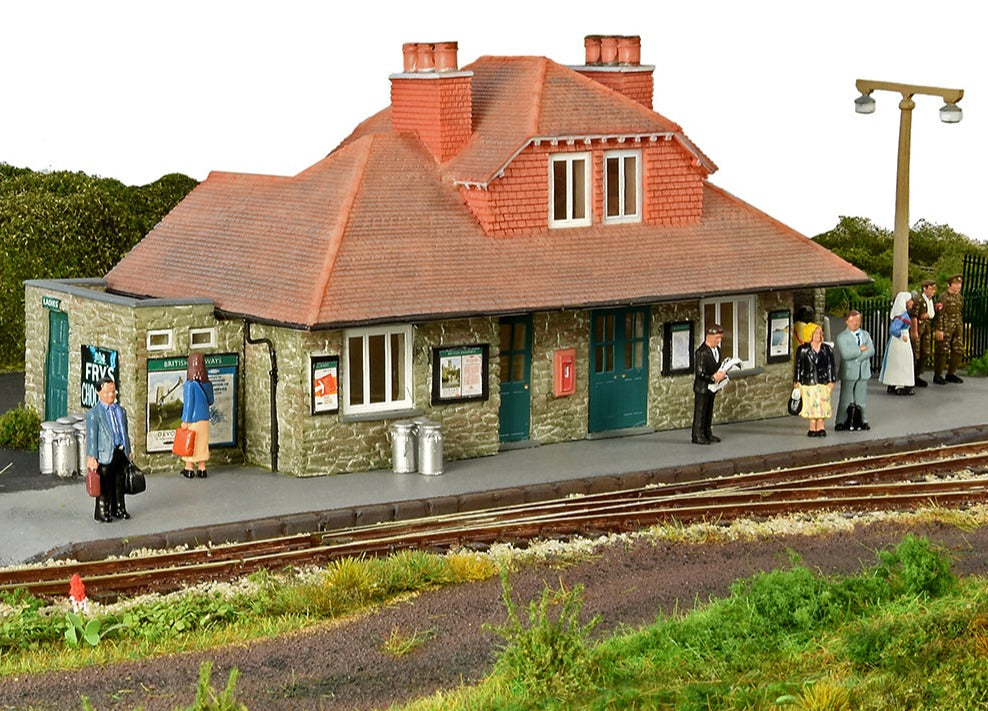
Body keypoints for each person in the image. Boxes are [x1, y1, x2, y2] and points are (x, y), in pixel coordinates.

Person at [85, 376, 132, 522]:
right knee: (104, 485)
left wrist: (128, 450)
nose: (111, 395)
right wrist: (92, 457)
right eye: (107, 393)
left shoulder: (121, 411)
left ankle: (119, 508)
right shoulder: (94, 414)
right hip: (104, 454)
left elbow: (125, 433)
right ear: (99, 393)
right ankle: (102, 511)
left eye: (113, 392)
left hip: (119, 452)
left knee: (119, 482)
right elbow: (92, 438)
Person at [792, 324, 836, 437]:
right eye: (816, 333)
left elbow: (831, 366)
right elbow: (798, 366)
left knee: (822, 403)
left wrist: (831, 380)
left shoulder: (827, 349)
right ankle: (812, 426)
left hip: (823, 381)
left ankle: (821, 425)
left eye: (820, 333)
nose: (819, 335)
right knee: (810, 404)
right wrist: (797, 381)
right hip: (808, 382)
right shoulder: (802, 350)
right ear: (810, 335)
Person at [834, 310, 875, 431]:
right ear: (847, 321)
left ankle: (863, 420)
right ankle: (840, 421)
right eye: (852, 321)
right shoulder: (842, 337)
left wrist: (858, 358)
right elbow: (846, 354)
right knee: (845, 399)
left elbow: (871, 350)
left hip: (863, 371)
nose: (855, 324)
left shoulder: (865, 335)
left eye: (858, 321)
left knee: (861, 400)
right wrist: (860, 349)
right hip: (849, 372)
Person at [179, 352, 215, 479]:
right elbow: (211, 401)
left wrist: (185, 420)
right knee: (202, 442)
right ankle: (202, 468)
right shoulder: (207, 384)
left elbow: (188, 405)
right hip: (204, 418)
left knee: (191, 442)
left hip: (193, 420)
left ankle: (189, 468)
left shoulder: (189, 385)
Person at [692, 324, 727, 445]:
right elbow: (700, 373)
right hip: (702, 387)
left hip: (712, 387)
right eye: (717, 337)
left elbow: (717, 366)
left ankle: (707, 432)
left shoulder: (717, 350)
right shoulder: (701, 352)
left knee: (709, 410)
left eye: (720, 338)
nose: (719, 340)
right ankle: (697, 435)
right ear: (709, 336)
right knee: (700, 412)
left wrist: (722, 373)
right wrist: (713, 378)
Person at [880, 291, 915, 396]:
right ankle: (901, 384)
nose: (912, 303)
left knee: (897, 363)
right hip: (901, 342)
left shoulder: (901, 314)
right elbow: (893, 329)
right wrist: (901, 335)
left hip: (898, 342)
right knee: (902, 363)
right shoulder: (902, 316)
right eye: (910, 301)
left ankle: (893, 383)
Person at [934, 273, 965, 384]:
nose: (958, 286)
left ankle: (951, 373)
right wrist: (939, 329)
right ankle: (938, 374)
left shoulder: (959, 297)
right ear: (949, 285)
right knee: (942, 350)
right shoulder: (943, 297)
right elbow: (939, 314)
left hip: (957, 326)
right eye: (956, 284)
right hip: (946, 327)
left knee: (958, 349)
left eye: (960, 283)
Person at [909, 280, 936, 387]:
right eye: (931, 288)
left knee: (925, 352)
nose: (933, 291)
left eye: (934, 289)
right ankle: (912, 376)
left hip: (926, 329)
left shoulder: (929, 300)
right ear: (924, 289)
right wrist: (914, 331)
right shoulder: (918, 300)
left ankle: (918, 374)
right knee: (916, 353)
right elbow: (914, 316)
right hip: (919, 329)